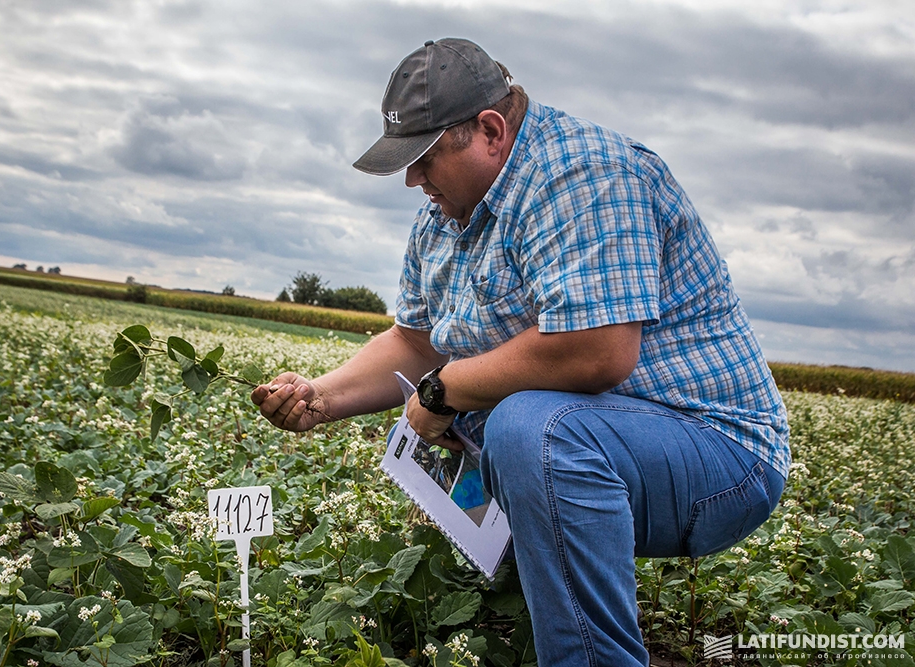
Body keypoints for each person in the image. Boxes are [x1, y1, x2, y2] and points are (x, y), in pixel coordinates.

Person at [252, 38, 790, 667]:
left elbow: (595, 352)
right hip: (609, 442)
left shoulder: (585, 175)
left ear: (490, 130)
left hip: (717, 452)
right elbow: (416, 341)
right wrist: (320, 396)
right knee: (518, 427)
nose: (412, 178)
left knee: (527, 429)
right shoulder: (446, 215)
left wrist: (442, 392)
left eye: (425, 157)